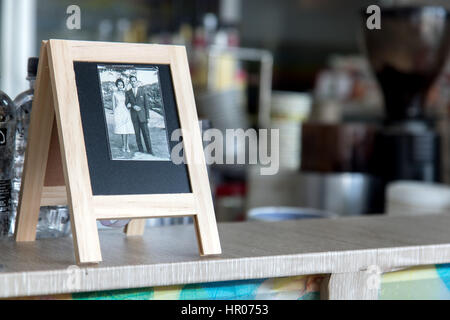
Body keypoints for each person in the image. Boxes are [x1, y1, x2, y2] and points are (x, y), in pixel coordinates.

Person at [125, 75, 153, 154]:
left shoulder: (143, 90)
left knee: (146, 134)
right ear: (130, 82)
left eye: (134, 81)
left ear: (137, 82)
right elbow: (126, 103)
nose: (133, 82)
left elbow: (146, 104)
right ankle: (141, 150)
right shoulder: (128, 92)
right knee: (137, 135)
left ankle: (150, 150)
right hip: (134, 117)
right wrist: (133, 106)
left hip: (143, 116)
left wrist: (147, 116)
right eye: (131, 81)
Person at [112, 78, 134, 152]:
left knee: (127, 129)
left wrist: (129, 105)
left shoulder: (125, 93)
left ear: (123, 85)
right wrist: (115, 115)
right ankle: (124, 145)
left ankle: (127, 146)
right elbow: (113, 105)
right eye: (119, 85)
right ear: (117, 85)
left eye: (121, 85)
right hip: (119, 112)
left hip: (125, 111)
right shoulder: (114, 94)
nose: (120, 86)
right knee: (122, 129)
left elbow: (128, 102)